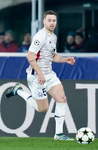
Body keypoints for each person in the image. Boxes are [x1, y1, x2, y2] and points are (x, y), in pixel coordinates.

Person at [5, 10, 75, 141]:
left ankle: (59, 134)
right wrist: (40, 73)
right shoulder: (40, 36)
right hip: (37, 76)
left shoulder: (53, 37)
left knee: (62, 98)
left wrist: (65, 59)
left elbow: (53, 56)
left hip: (49, 74)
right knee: (42, 109)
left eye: (54, 20)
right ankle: (18, 90)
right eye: (49, 20)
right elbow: (30, 55)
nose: (52, 23)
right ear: (44, 21)